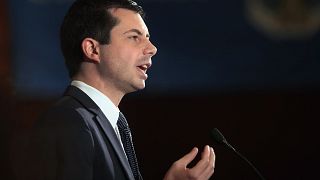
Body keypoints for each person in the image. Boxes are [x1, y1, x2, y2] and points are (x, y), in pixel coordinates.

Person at [28, 0, 215, 179]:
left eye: (147, 38)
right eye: (134, 37)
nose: (152, 48)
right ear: (93, 49)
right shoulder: (69, 121)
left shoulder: (106, 123)